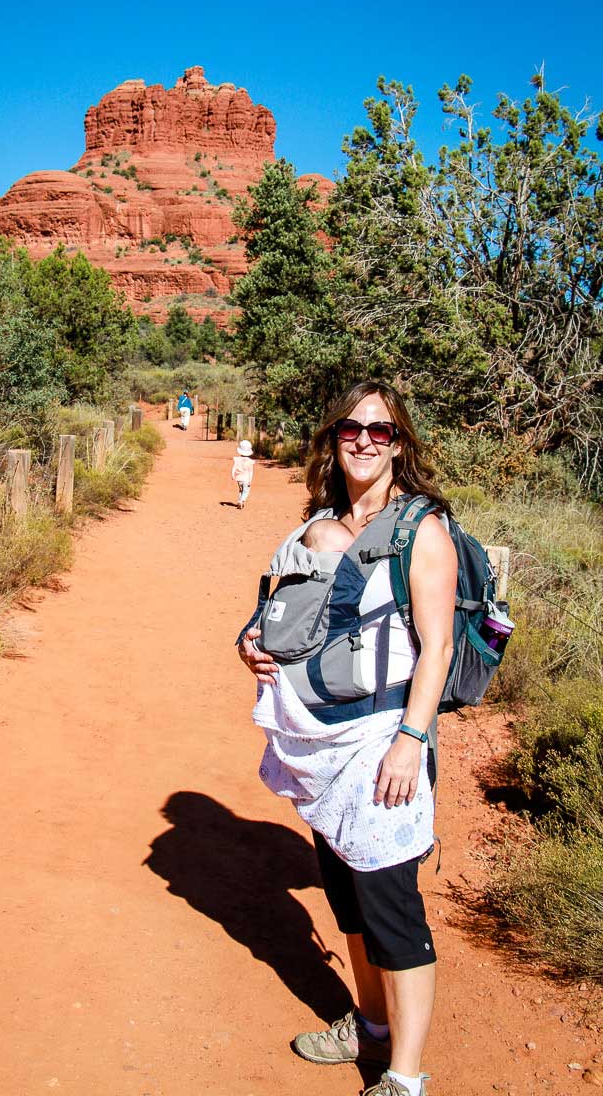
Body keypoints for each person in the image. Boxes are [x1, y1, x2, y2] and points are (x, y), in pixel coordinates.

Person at [237, 380, 457, 1096]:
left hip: (381, 742)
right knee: (347, 904)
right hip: (320, 748)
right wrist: (251, 641)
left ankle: (405, 1076)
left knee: (391, 906)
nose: (365, 440)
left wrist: (410, 741)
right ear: (333, 438)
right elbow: (280, 613)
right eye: (351, 428)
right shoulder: (321, 521)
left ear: (401, 444)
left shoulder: (421, 529)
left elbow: (440, 647)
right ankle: (370, 1025)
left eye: (381, 431)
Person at [231, 440, 255, 509]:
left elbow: (234, 468)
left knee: (241, 490)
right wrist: (250, 480)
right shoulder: (250, 461)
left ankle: (240, 502)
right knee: (246, 491)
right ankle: (241, 501)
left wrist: (233, 475)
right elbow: (251, 472)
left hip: (239, 479)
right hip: (246, 479)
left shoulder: (237, 459)